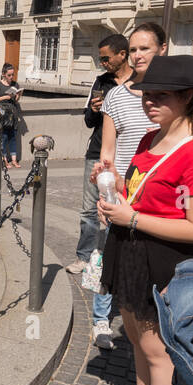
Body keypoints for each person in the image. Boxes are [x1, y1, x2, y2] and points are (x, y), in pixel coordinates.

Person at [95, 54, 193, 385]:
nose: (150, 102)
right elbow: (140, 192)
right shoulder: (150, 138)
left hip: (163, 256)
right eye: (147, 94)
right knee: (136, 337)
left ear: (187, 97)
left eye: (161, 95)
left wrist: (132, 217)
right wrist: (114, 187)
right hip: (129, 246)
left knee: (159, 349)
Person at [88, 24, 162, 347]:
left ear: (162, 50)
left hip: (157, 195)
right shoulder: (116, 97)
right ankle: (100, 319)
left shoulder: (170, 96)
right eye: (133, 49)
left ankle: (149, 319)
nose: (137, 55)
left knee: (149, 260)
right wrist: (106, 193)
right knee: (107, 254)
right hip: (122, 192)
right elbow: (107, 153)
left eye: (145, 48)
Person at [69, 33, 135, 349]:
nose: (103, 63)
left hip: (129, 166)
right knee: (92, 215)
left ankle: (116, 284)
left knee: (119, 229)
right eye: (101, 58)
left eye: (107, 58)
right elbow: (88, 121)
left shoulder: (141, 86)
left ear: (122, 54)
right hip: (100, 156)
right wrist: (96, 109)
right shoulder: (101, 83)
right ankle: (86, 262)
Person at [0, 63, 26, 168]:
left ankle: (14, 160)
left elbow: (15, 100)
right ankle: (5, 160)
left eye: (12, 75)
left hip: (12, 113)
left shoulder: (15, 85)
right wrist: (5, 97)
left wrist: (18, 95)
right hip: (3, 114)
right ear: (3, 74)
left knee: (13, 136)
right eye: (9, 75)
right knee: (4, 137)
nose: (11, 77)